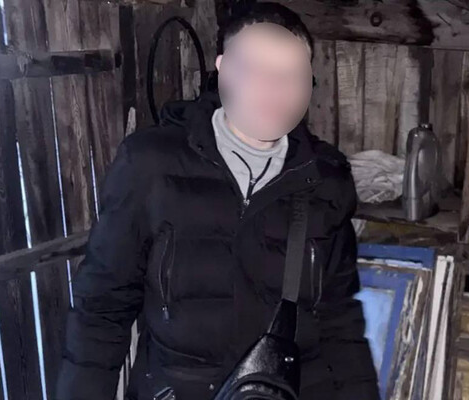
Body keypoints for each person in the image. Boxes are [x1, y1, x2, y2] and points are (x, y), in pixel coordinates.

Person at [56, 2, 379, 399]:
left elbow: (340, 320)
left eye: (291, 75)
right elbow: (102, 308)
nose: (276, 90)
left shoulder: (326, 179)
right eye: (256, 71)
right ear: (223, 69)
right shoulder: (150, 165)